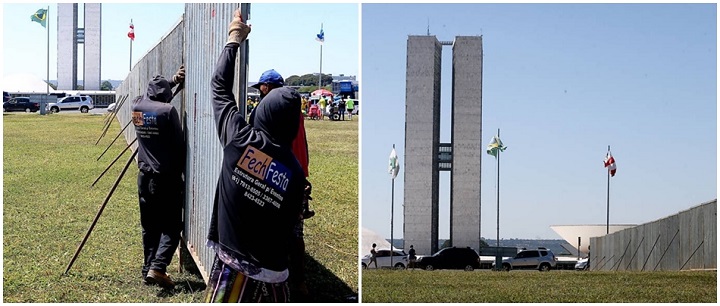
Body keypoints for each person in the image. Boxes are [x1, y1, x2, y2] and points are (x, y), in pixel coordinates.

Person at [204, 11, 305, 302]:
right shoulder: (295, 174)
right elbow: (288, 227)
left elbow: (219, 87)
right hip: (274, 280)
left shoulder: (239, 138)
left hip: (232, 273)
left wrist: (235, 37)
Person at [131, 64, 186, 288]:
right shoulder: (168, 111)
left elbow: (148, 95)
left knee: (150, 226)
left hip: (144, 177)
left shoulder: (137, 105)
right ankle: (159, 267)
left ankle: (148, 268)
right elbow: (180, 144)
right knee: (172, 226)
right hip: (166, 178)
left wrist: (171, 81)